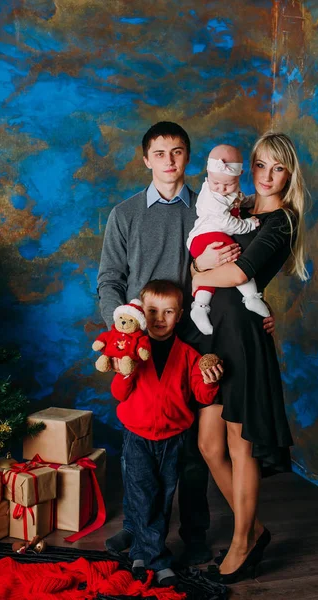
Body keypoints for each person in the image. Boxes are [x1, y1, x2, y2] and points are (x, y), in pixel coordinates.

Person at [97, 121, 274, 565]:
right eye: (160, 153)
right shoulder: (125, 214)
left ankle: (195, 532)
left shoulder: (208, 208)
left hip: (193, 336)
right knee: (138, 435)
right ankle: (137, 528)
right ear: (146, 159)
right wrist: (122, 329)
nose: (169, 161)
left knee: (193, 444)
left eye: (177, 152)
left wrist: (259, 310)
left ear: (188, 158)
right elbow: (109, 281)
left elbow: (241, 265)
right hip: (140, 338)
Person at [191, 132, 308, 583]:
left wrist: (199, 270)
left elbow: (240, 272)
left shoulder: (282, 220)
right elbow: (199, 244)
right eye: (260, 165)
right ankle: (254, 529)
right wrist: (197, 267)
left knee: (241, 447)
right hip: (213, 335)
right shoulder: (236, 207)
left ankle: (242, 543)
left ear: (289, 174)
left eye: (277, 168)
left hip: (242, 335)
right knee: (208, 444)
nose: (267, 175)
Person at [110, 280, 222, 586]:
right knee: (143, 496)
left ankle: (140, 553)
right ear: (141, 313)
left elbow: (202, 396)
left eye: (168, 311)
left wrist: (210, 380)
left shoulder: (188, 354)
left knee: (162, 499)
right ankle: (158, 561)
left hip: (173, 439)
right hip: (138, 437)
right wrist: (125, 372)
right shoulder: (132, 350)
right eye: (153, 311)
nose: (160, 318)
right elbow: (119, 394)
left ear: (181, 314)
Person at [187, 144, 270, 336]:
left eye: (228, 184)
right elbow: (228, 223)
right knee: (233, 258)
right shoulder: (211, 198)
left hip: (208, 239)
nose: (222, 189)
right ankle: (250, 296)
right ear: (208, 173)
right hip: (205, 237)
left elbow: (238, 200)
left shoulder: (227, 189)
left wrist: (253, 201)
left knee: (215, 271)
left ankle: (199, 307)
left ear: (239, 175)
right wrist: (249, 224)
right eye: (217, 183)